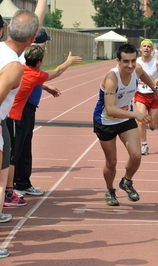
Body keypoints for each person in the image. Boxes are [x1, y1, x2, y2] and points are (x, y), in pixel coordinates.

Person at [6, 43, 81, 204]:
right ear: (39, 62)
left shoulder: (22, 69)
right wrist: (69, 61)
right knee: (14, 152)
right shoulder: (33, 74)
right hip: (16, 115)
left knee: (24, 148)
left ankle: (22, 183)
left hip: (25, 111)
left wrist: (45, 87)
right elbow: (58, 71)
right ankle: (9, 190)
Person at [0, 0, 47, 259]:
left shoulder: (6, 53)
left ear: (8, 28)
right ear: (32, 40)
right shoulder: (14, 65)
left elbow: (33, 24)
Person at [93, 43, 158, 206]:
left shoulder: (137, 69)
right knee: (111, 161)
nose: (131, 65)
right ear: (118, 61)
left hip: (125, 119)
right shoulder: (112, 78)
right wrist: (136, 114)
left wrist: (155, 89)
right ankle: (110, 190)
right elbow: (111, 109)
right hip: (106, 121)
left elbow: (144, 76)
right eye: (126, 61)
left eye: (133, 61)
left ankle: (126, 181)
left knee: (136, 155)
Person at [134, 39, 158, 156]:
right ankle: (144, 145)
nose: (146, 48)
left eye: (149, 46)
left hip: (154, 95)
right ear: (140, 48)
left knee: (153, 125)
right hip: (140, 94)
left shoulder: (157, 63)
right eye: (144, 46)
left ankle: (152, 124)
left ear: (152, 49)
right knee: (141, 120)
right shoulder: (135, 62)